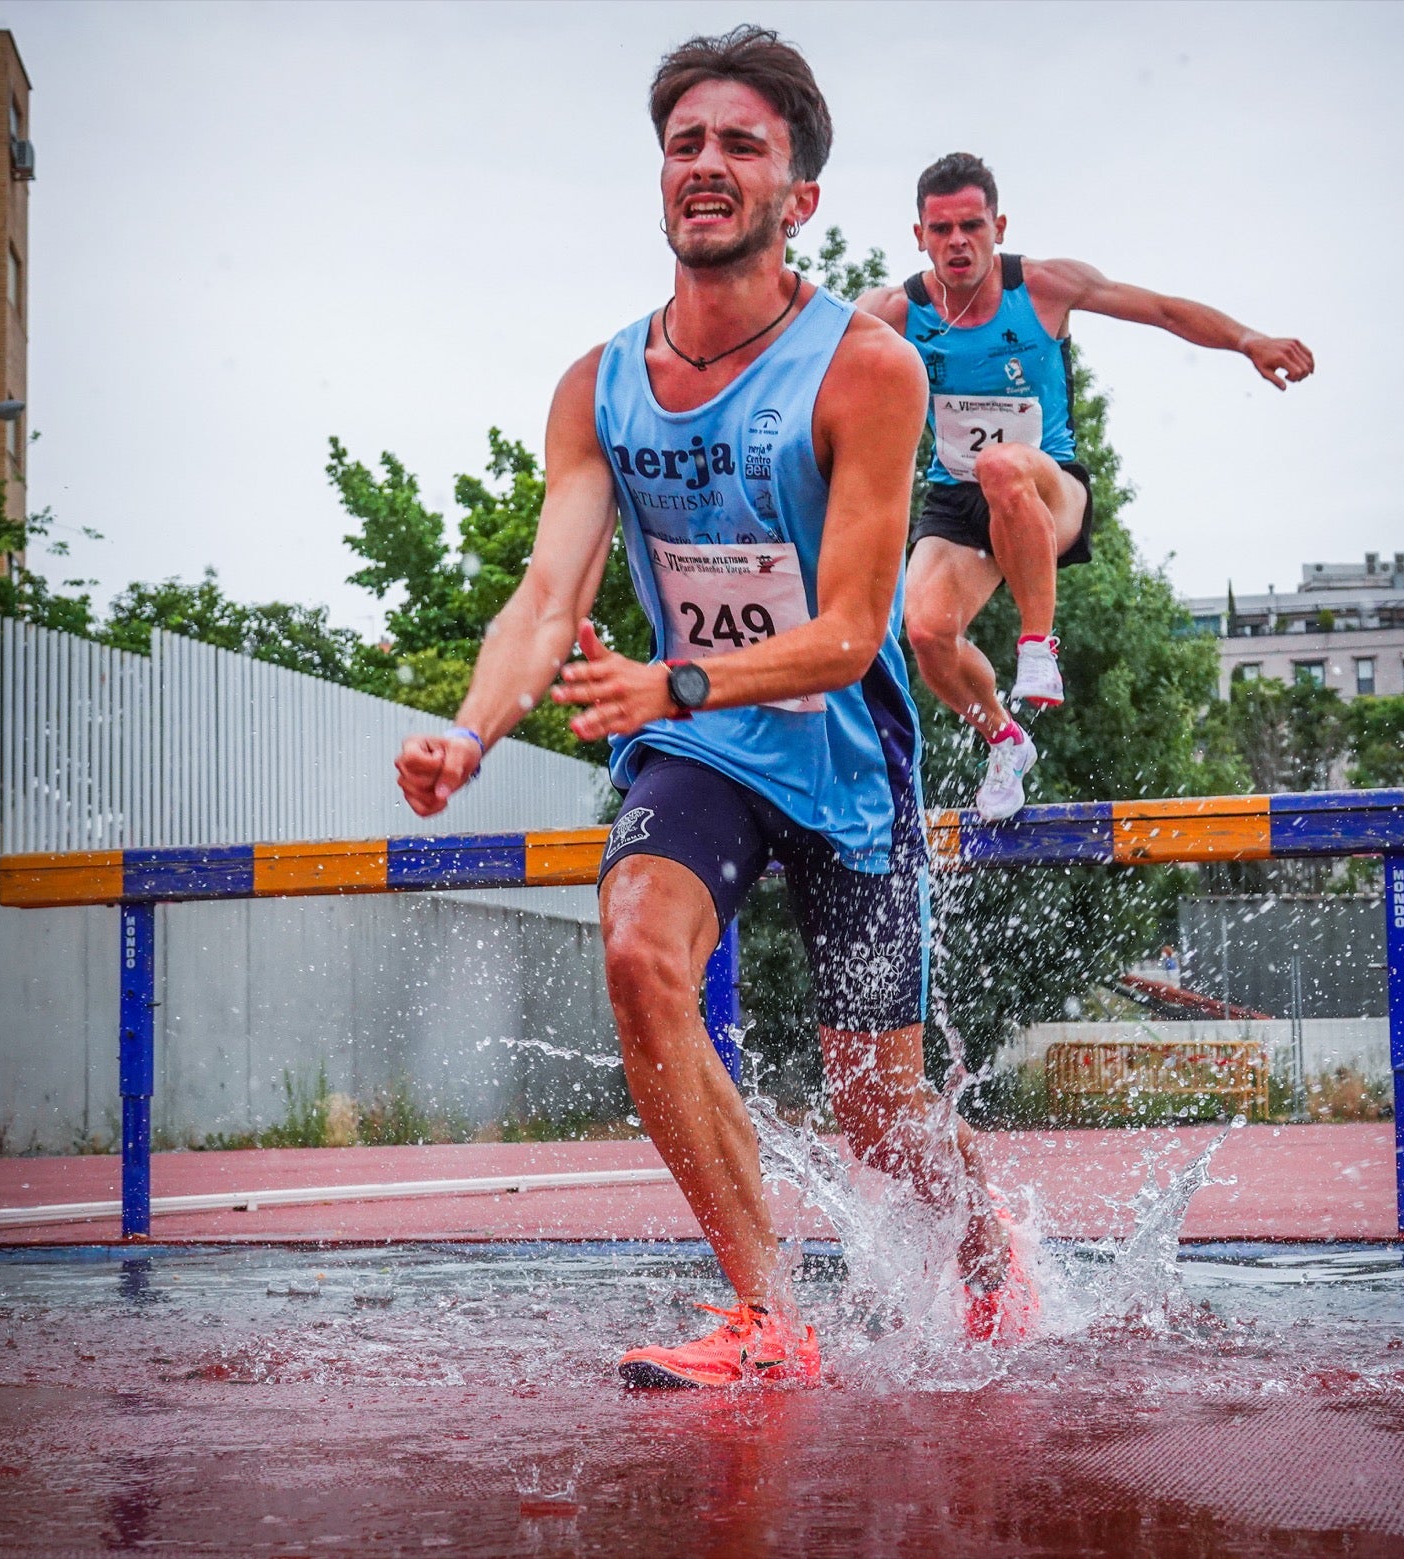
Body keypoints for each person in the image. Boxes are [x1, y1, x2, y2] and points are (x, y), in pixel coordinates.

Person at [394, 29, 1037, 1390]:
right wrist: (470, 727)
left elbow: (854, 630)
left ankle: (989, 1251)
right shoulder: (598, 386)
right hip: (702, 744)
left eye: (741, 145)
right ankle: (766, 1312)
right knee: (638, 951)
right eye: (685, 143)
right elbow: (544, 592)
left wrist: (677, 674)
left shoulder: (867, 369)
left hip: (843, 749)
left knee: (875, 1101)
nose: (706, 164)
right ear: (660, 177)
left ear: (797, 195)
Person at [858, 153, 1315, 821]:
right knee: (924, 632)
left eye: (972, 226)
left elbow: (1159, 309)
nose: (958, 242)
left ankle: (1038, 646)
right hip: (956, 500)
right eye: (942, 229)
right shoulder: (900, 308)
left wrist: (1248, 340)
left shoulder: (1043, 286)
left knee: (1004, 466)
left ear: (999, 226)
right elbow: (818, 348)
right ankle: (1005, 740)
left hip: (1049, 490)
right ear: (920, 235)